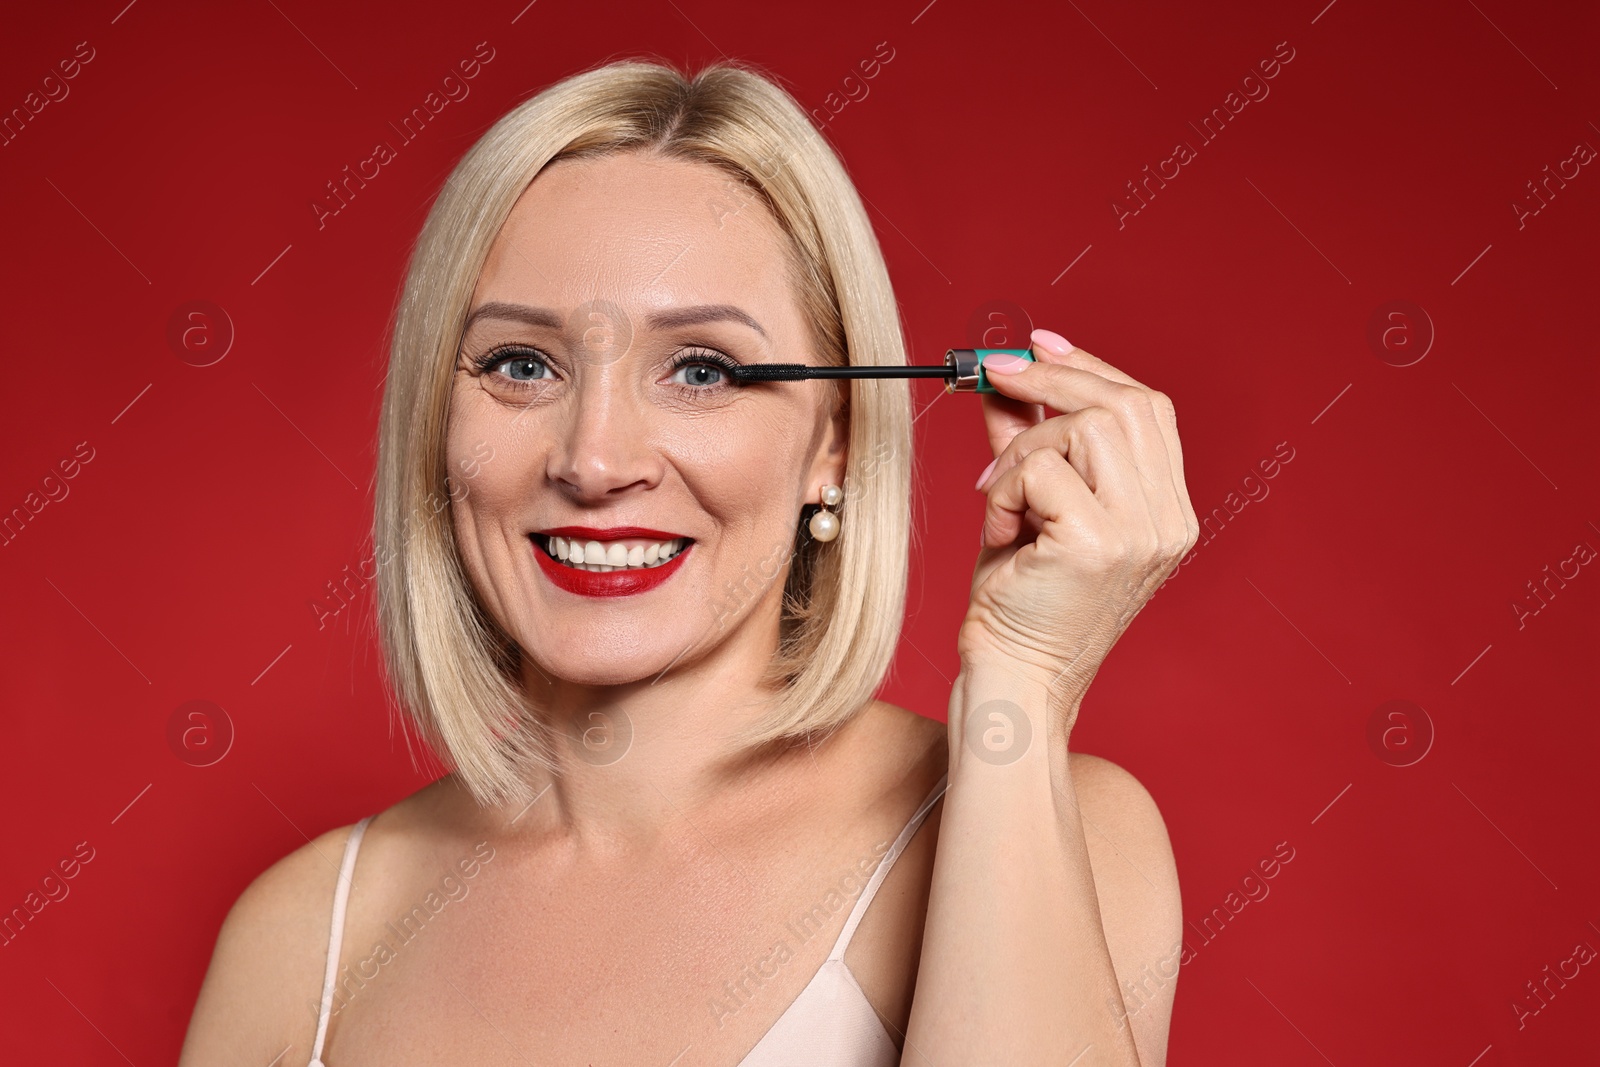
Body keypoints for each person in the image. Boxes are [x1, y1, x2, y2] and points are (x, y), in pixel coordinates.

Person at [179, 56, 1198, 1067]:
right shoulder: (303, 937)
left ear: (833, 440)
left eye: (702, 369)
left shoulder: (1051, 824)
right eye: (521, 365)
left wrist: (1022, 676)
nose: (593, 460)